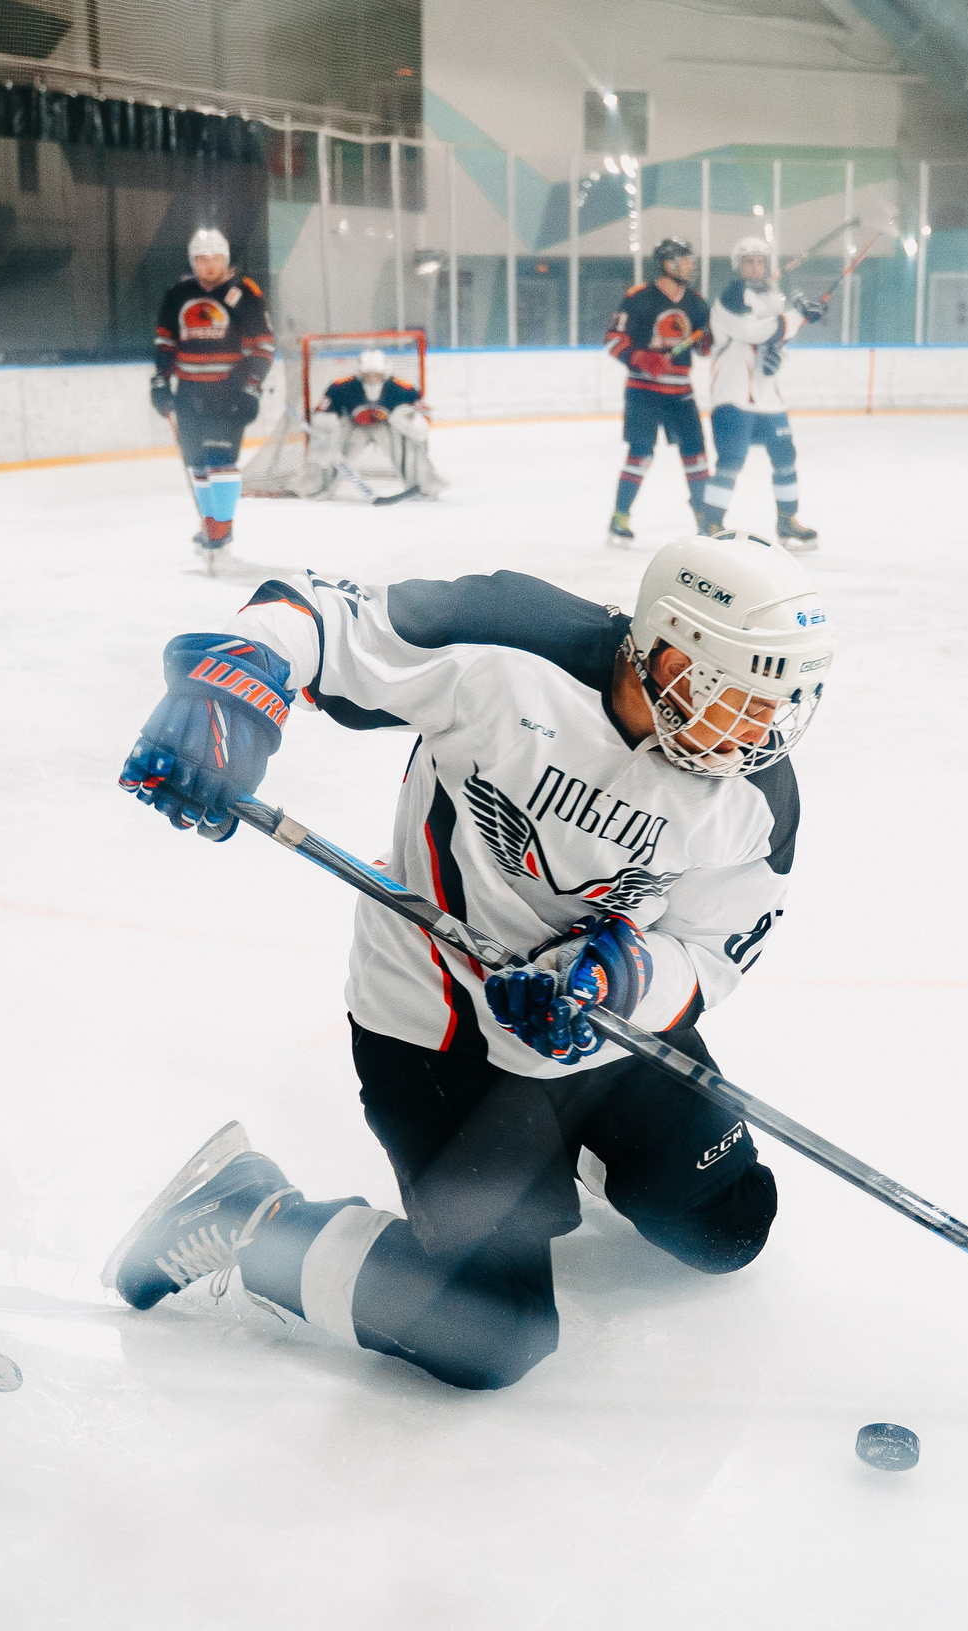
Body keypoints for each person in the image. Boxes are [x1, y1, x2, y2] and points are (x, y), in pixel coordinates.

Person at [101, 535, 834, 1391]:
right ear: (672, 655)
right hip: (439, 1027)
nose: (764, 729)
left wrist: (622, 979)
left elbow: (709, 952)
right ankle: (246, 1216)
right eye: (743, 696)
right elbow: (319, 614)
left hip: (604, 1031)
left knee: (730, 1226)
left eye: (780, 702)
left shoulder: (756, 797)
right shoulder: (513, 646)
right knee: (495, 1331)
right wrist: (228, 681)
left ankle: (577, 1148)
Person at [152, 228, 275, 571]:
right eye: (201, 259)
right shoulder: (178, 294)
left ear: (226, 258)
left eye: (215, 258)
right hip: (189, 392)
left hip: (229, 392)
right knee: (198, 464)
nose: (208, 266)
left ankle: (221, 528)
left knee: (221, 459)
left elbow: (262, 346)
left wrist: (251, 387)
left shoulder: (243, 293)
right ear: (193, 261)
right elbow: (165, 344)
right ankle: (211, 522)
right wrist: (160, 383)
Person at [704, 234, 825, 550]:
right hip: (733, 396)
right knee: (730, 461)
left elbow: (775, 339)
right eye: (748, 262)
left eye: (759, 262)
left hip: (768, 397)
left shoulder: (773, 298)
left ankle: (788, 520)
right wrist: (800, 316)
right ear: (737, 267)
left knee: (786, 457)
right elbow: (753, 331)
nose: (755, 268)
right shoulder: (730, 297)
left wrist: (778, 357)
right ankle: (712, 523)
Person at [602, 237, 716, 546]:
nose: (691, 264)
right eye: (685, 258)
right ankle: (620, 517)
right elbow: (614, 340)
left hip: (681, 393)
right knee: (639, 456)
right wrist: (638, 357)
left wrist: (710, 335)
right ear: (669, 263)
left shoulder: (696, 302)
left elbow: (705, 348)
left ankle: (706, 517)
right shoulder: (638, 298)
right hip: (643, 392)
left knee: (697, 457)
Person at [300, 346, 445, 500]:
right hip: (352, 427)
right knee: (328, 446)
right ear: (360, 372)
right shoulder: (341, 387)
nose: (372, 378)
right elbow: (322, 412)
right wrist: (326, 427)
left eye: (377, 374)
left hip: (387, 428)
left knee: (409, 447)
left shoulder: (403, 389)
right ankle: (316, 486)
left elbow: (424, 417)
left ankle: (423, 487)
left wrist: (411, 423)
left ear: (385, 372)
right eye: (368, 374)